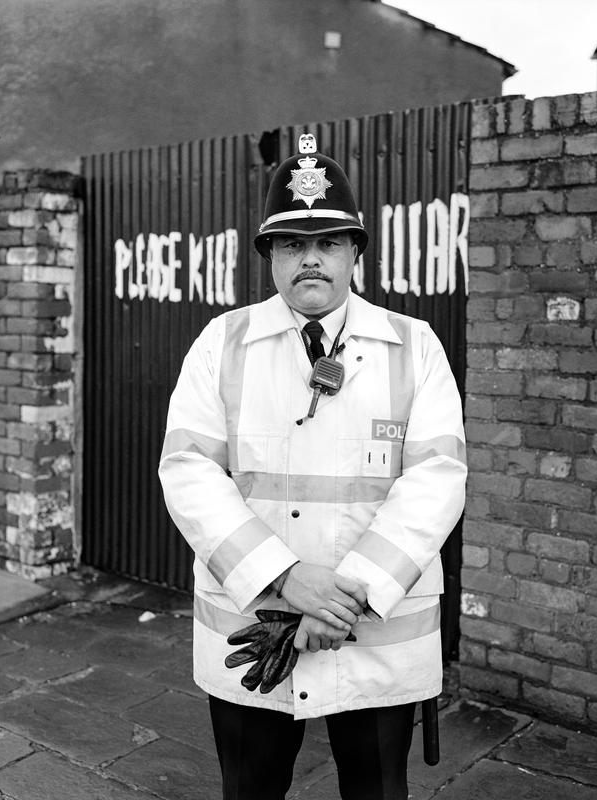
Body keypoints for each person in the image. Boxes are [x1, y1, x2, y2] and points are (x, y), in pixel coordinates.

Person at [158, 134, 466, 800]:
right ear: (269, 254)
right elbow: (187, 470)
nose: (311, 261)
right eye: (293, 245)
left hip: (374, 630)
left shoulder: (413, 347)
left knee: (377, 791)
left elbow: (437, 478)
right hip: (253, 627)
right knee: (249, 789)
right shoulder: (222, 343)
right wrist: (284, 577)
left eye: (328, 243)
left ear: (355, 251)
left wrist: (341, 595)